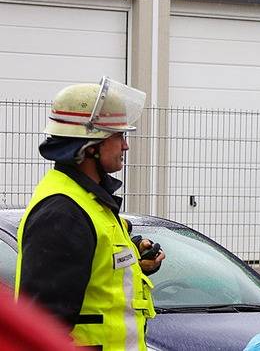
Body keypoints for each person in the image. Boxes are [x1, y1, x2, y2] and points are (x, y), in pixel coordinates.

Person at [16, 77, 164, 350]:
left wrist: (136, 261)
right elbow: (43, 326)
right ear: (90, 146)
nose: (125, 146)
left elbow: (95, 278)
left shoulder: (88, 201)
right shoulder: (63, 213)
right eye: (118, 135)